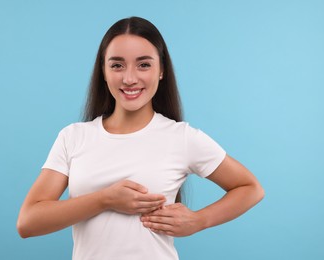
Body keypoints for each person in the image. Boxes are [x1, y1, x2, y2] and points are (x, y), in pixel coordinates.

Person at [17, 16, 264, 259]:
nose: (129, 78)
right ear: (103, 71)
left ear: (161, 70)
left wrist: (199, 220)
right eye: (117, 65)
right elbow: (28, 222)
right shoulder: (73, 137)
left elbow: (250, 188)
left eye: (144, 65)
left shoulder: (181, 138)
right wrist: (105, 199)